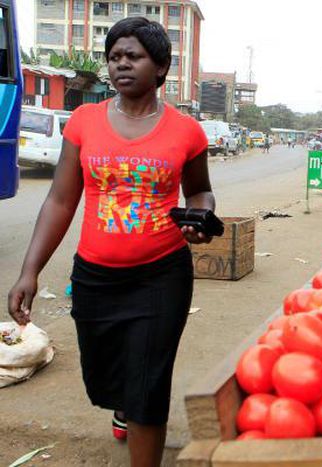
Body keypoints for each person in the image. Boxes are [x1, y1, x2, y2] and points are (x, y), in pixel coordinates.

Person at [7, 17, 214, 467]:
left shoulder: (186, 131)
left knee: (147, 388)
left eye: (133, 56)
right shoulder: (84, 122)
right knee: (106, 378)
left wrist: (201, 215)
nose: (121, 64)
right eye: (114, 57)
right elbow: (61, 200)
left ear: (160, 67)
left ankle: (138, 414)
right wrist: (30, 271)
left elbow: (199, 189)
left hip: (162, 276)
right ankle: (124, 401)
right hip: (95, 279)